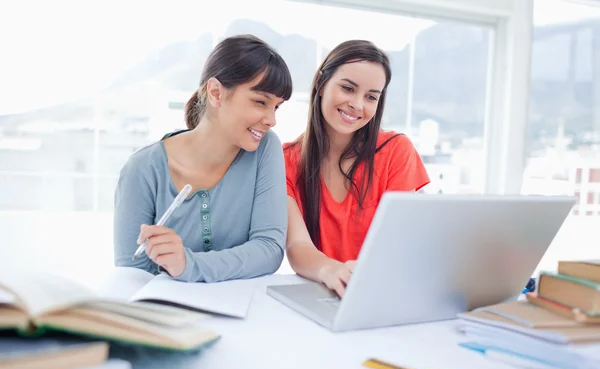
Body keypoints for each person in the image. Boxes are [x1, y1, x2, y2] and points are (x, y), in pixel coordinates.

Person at [113, 34, 292, 282]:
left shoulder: (265, 148)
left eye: (276, 107)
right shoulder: (141, 169)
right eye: (260, 101)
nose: (271, 119)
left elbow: (269, 249)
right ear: (216, 93)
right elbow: (130, 273)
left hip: (242, 313)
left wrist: (189, 264)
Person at [284, 40, 430, 297]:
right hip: (324, 293)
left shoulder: (396, 151)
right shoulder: (286, 160)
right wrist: (331, 271)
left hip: (382, 292)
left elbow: (397, 241)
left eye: (371, 96)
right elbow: (297, 245)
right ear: (320, 84)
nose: (357, 104)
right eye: (348, 88)